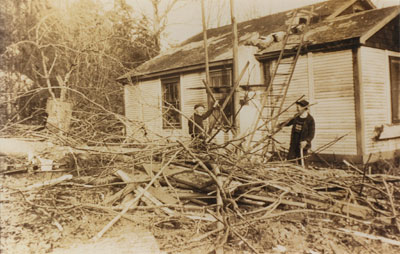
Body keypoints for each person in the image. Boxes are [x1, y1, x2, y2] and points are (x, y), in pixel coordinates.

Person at [281, 99, 315, 166]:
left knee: (302, 162)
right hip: (294, 142)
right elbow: (289, 122)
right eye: (297, 107)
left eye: (298, 107)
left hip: (302, 143)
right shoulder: (296, 116)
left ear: (304, 108)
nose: (297, 109)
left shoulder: (310, 119)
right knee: (290, 160)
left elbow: (312, 133)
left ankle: (304, 174)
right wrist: (280, 125)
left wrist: (306, 141)